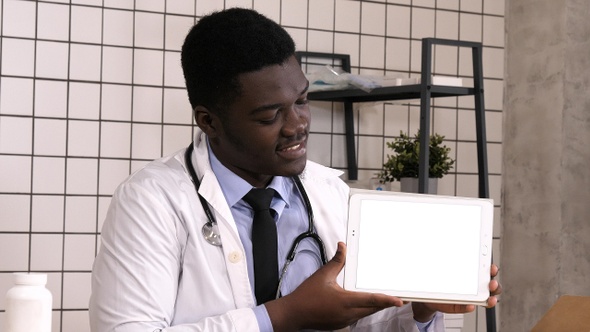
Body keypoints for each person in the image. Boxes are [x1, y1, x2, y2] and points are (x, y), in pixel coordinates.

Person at [89, 7, 501, 332]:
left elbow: (371, 324)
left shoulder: (330, 194)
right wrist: (287, 315)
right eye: (270, 115)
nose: (298, 125)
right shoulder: (151, 201)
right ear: (209, 121)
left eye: (301, 101)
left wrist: (422, 308)